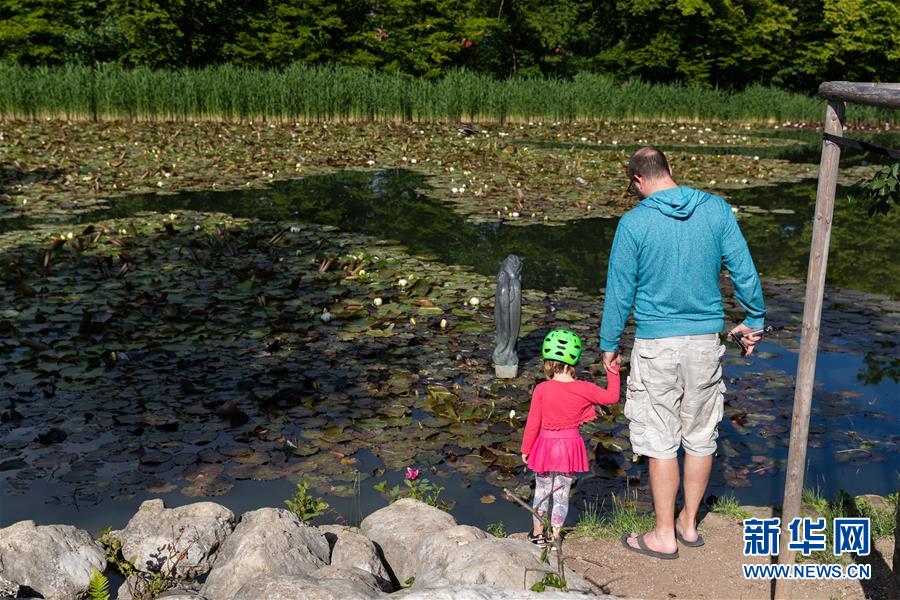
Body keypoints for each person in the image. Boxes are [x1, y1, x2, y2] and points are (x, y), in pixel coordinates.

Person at [600, 146, 765, 560]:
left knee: (659, 439)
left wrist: (609, 344)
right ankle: (688, 525)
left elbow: (620, 291)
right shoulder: (715, 210)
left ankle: (662, 535)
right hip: (705, 342)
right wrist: (755, 317)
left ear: (638, 180)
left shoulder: (634, 222)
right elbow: (743, 269)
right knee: (700, 436)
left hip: (657, 344)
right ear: (669, 170)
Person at [521, 329, 620, 545]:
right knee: (561, 494)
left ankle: (538, 534)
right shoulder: (585, 388)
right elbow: (612, 397)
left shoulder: (542, 389)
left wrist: (526, 449)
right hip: (569, 448)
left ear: (548, 362)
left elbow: (532, 424)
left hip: (545, 446)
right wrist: (613, 370)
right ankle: (555, 537)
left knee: (542, 491)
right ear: (574, 361)